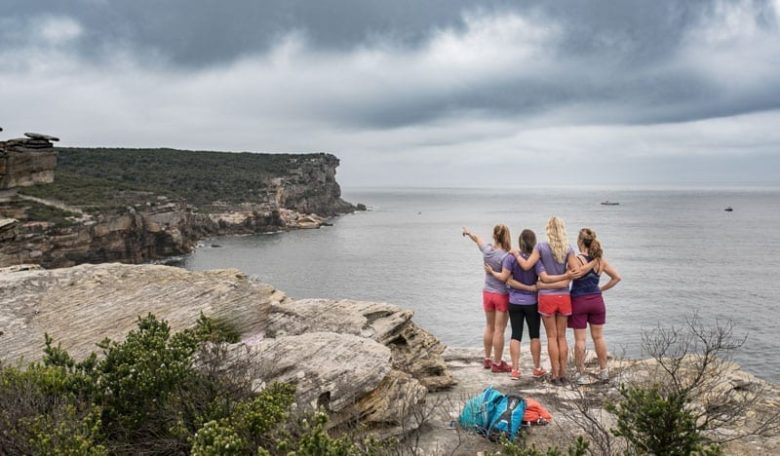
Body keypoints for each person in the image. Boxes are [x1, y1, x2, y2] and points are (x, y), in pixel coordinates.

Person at [484, 229, 567, 380]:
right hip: (532, 303)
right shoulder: (536, 261)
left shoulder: (510, 258)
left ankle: (515, 370)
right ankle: (536, 368)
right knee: (534, 335)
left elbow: (507, 279)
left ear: (520, 242)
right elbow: (541, 280)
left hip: (514, 302)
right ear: (534, 243)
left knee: (515, 335)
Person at [510, 216, 583, 385]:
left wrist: (543, 283)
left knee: (552, 337)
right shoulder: (569, 248)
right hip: (564, 296)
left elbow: (527, 266)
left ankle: (555, 375)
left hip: (547, 297)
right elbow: (577, 272)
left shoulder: (541, 247)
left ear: (548, 230)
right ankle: (564, 374)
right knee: (562, 337)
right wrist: (566, 278)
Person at [570, 228, 621, 384]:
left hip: (579, 300)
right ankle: (604, 371)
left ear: (580, 241)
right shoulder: (600, 261)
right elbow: (617, 277)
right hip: (597, 301)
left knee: (580, 339)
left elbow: (573, 275)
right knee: (599, 337)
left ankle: (580, 372)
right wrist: (601, 289)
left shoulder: (576, 259)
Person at [463, 225, 513, 373]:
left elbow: (478, 239)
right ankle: (497, 363)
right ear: (506, 236)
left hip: (487, 293)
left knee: (489, 327)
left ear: (494, 236)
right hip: (501, 295)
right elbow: (506, 278)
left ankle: (487, 359)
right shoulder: (506, 256)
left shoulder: (487, 251)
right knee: (499, 330)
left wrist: (468, 232)